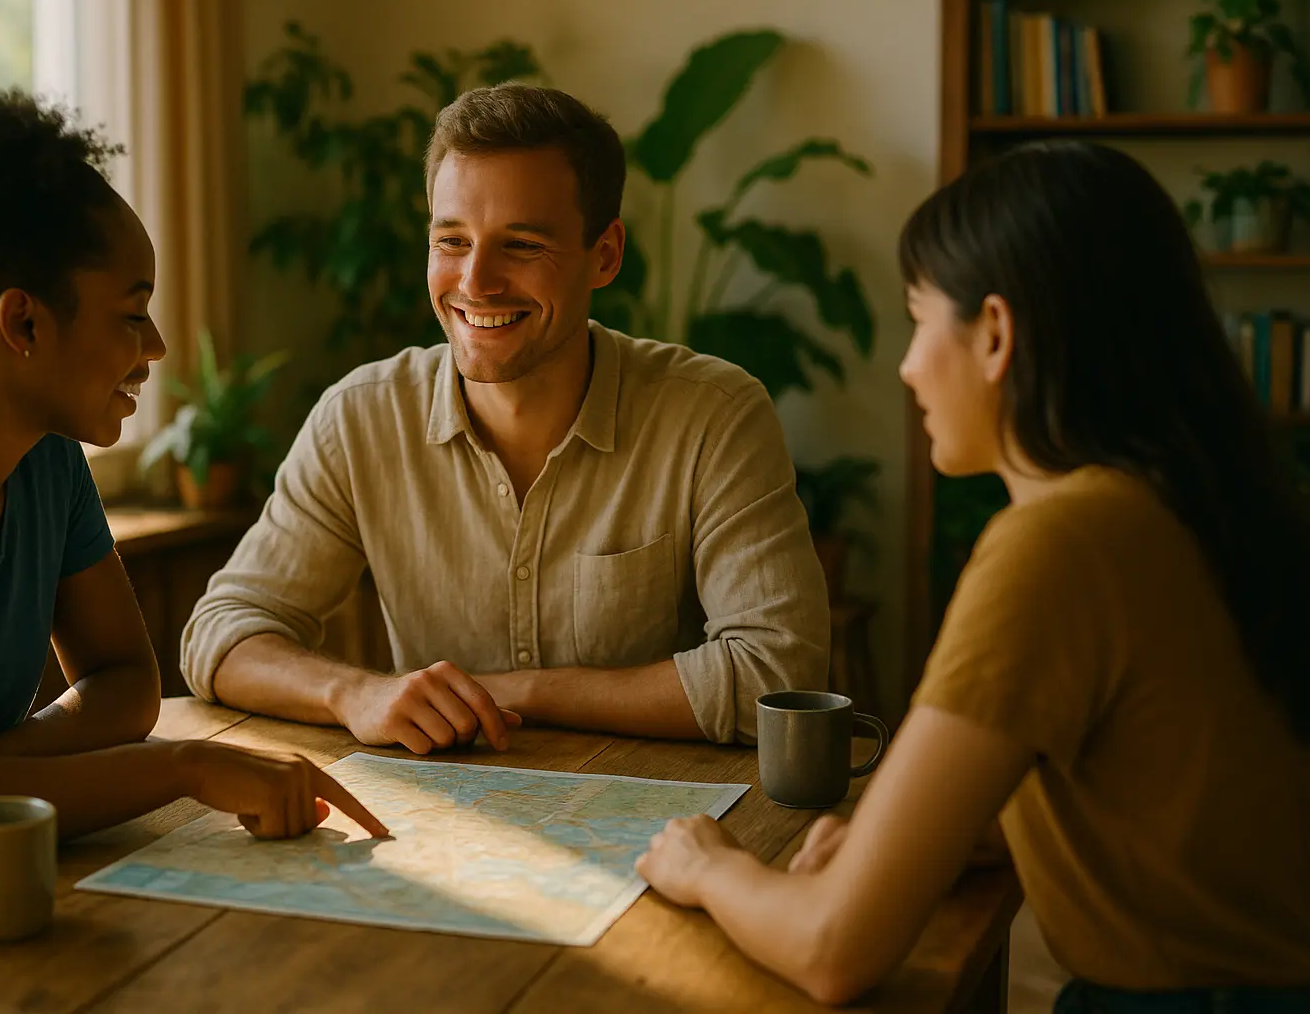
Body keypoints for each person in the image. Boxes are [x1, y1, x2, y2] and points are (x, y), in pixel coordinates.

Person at [635, 140, 1310, 1010]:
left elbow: (833, 947)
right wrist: (954, 834)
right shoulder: (1187, 502)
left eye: (920, 319)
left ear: (995, 333)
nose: (908, 365)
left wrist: (708, 867)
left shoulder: (1061, 543)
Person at [0, 87, 384, 890]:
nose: (159, 345)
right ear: (23, 324)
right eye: (132, 315)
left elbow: (126, 687)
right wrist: (184, 770)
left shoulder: (48, 459)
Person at [181, 84, 829, 752]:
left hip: (666, 825)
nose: (476, 281)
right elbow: (221, 634)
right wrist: (358, 692)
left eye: (520, 245)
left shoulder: (713, 416)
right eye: (452, 240)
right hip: (441, 830)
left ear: (604, 255)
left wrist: (510, 692)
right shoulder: (360, 419)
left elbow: (776, 674)